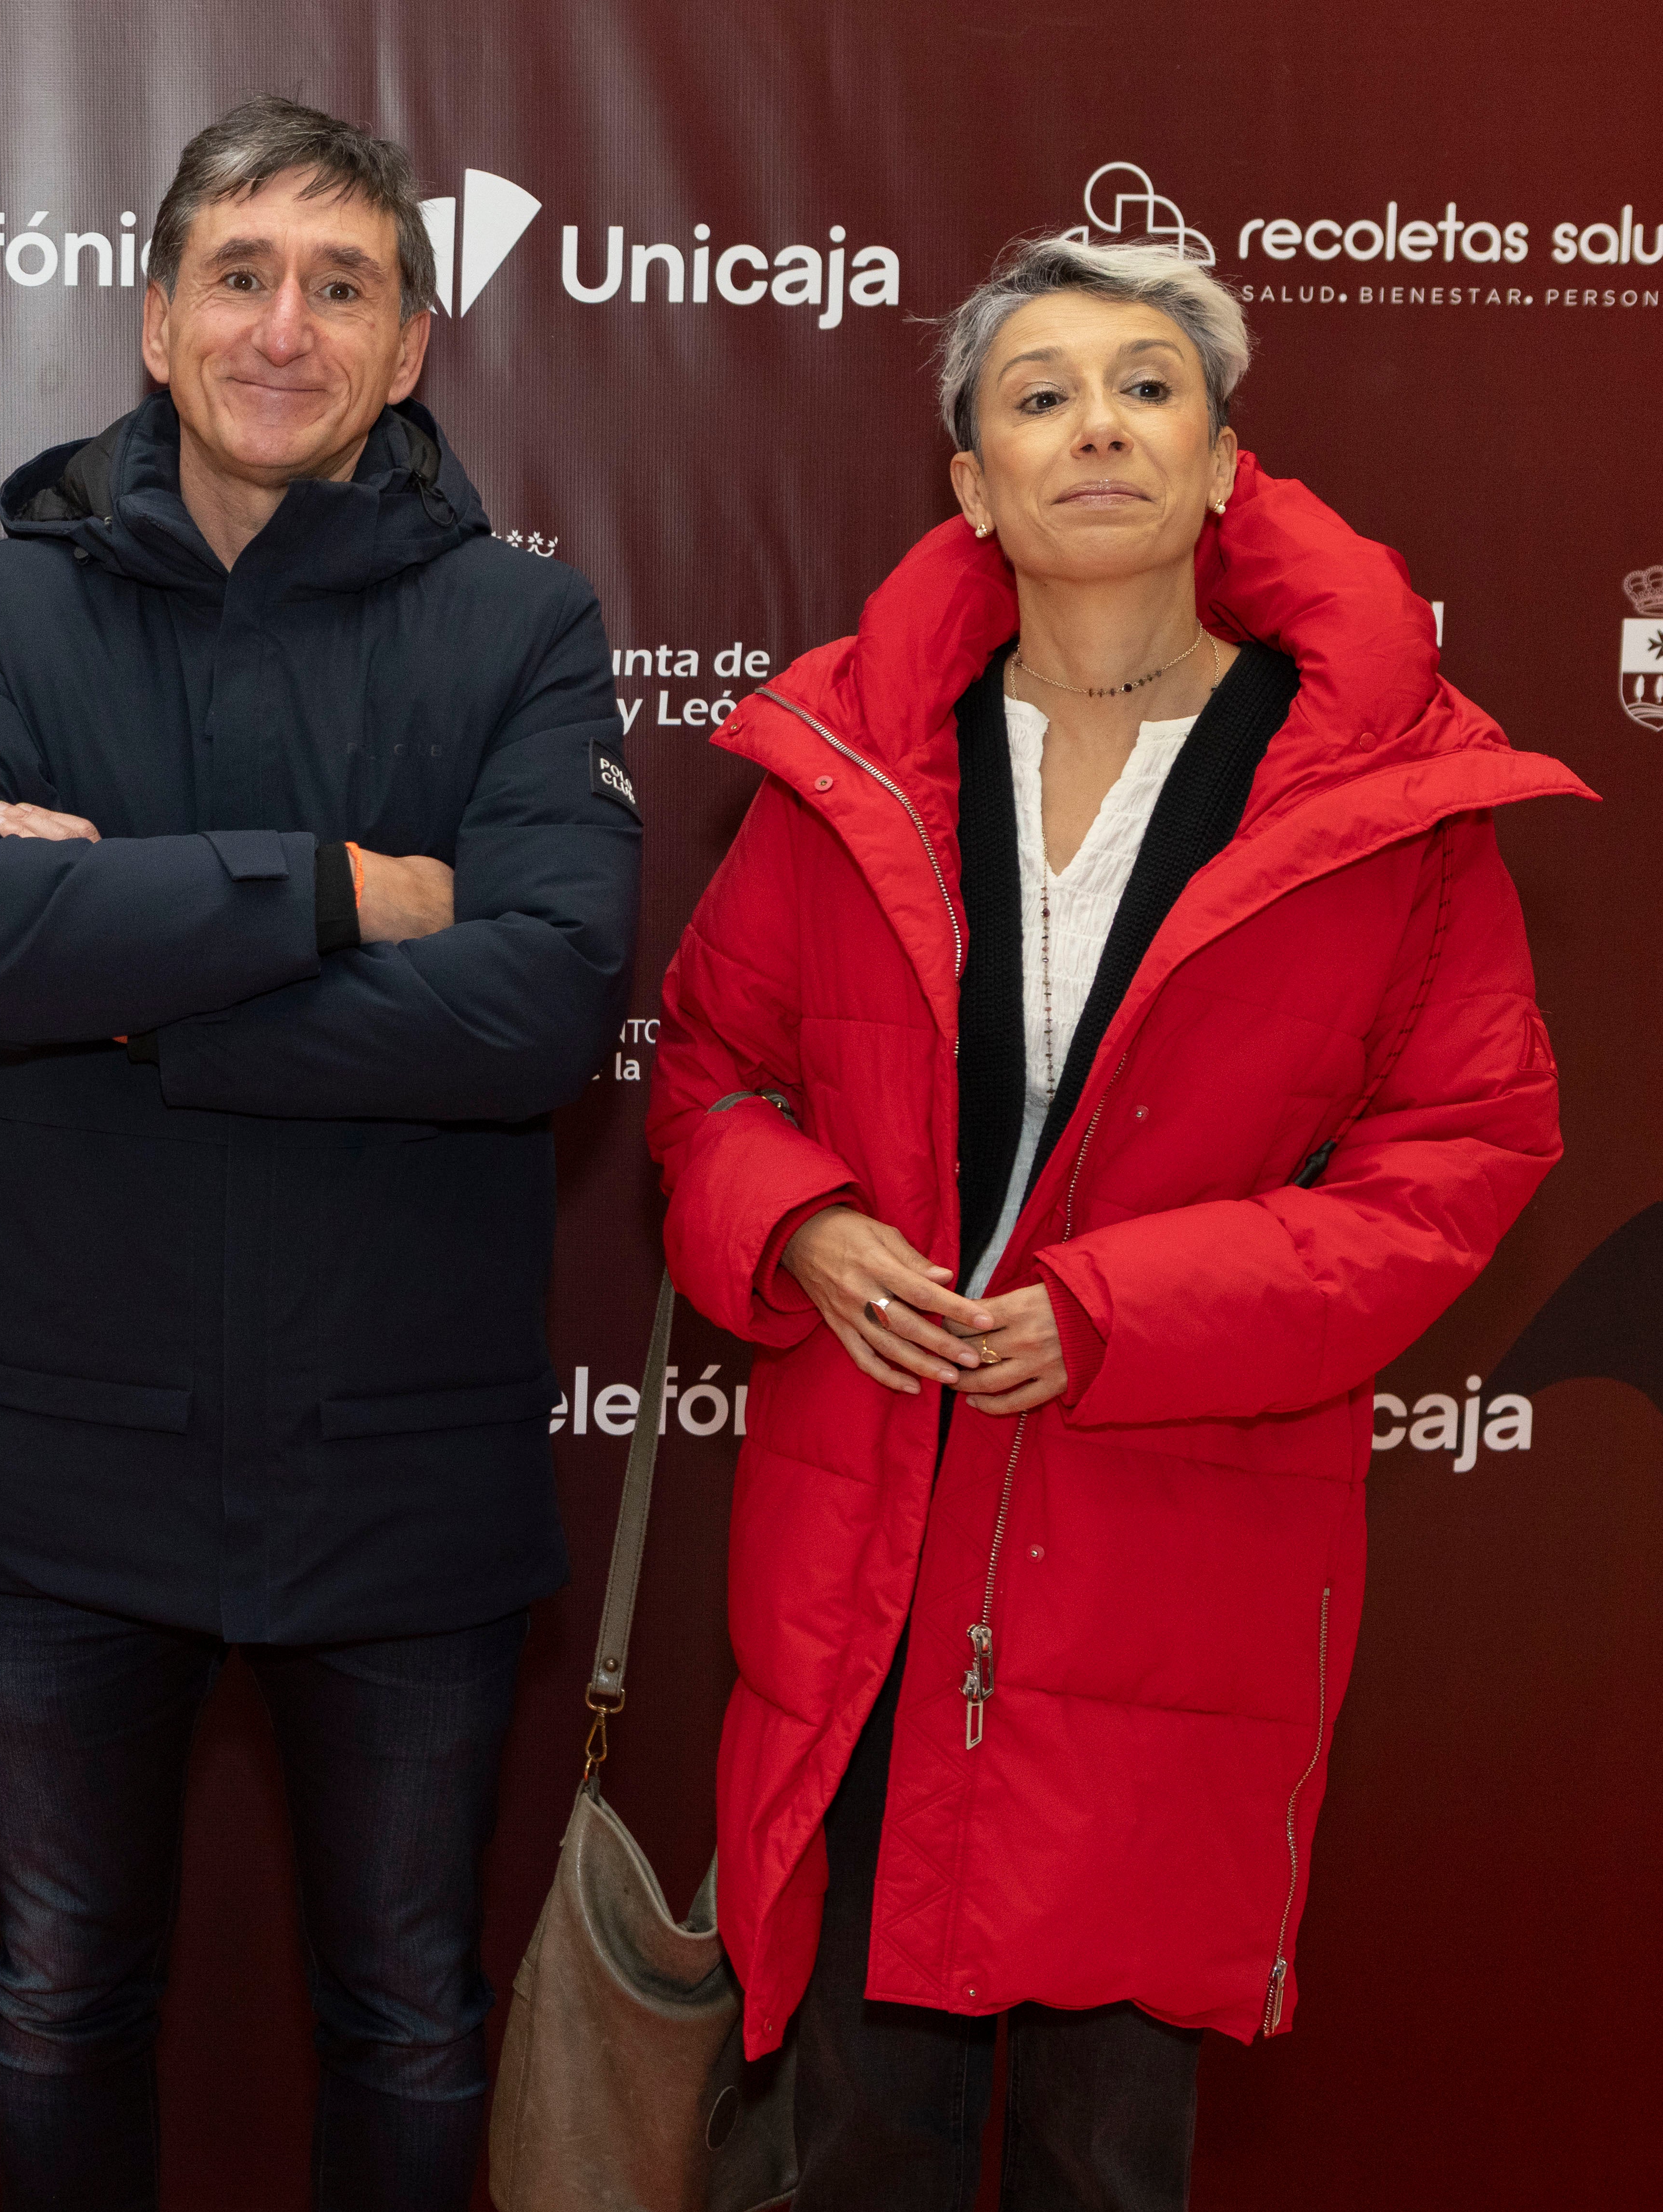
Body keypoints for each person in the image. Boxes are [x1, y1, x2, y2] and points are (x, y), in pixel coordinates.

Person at [646, 237, 1585, 2209]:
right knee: (858, 2140)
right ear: (973, 481)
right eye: (1041, 393)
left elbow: (1463, 1150)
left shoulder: (1386, 796)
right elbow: (712, 1070)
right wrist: (806, 1225)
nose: (1099, 424)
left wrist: (1117, 1306)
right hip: (872, 1553)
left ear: (1227, 459)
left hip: (1174, 1547)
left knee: (1111, 2156)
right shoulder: (845, 768)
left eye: (1150, 386)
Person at [0, 96, 639, 2212]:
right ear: (156, 318)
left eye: (342, 284)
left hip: (402, 1469)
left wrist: (125, 957)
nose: (284, 326)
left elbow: (541, 1011)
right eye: (241, 273)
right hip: (62, 1467)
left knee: (409, 2007)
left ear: (410, 346)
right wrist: (337, 887)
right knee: (53, 1994)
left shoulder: (519, 626)